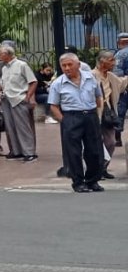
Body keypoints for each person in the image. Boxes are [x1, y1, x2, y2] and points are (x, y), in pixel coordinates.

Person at [49, 53, 104, 193]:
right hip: (71, 116)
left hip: (90, 115)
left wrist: (95, 112)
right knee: (73, 152)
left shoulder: (90, 78)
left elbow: (98, 97)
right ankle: (78, 182)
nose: (67, 68)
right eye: (64, 65)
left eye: (70, 65)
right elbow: (53, 106)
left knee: (95, 150)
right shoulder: (58, 83)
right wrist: (64, 120)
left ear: (78, 65)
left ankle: (92, 180)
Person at [0, 45, 37, 163]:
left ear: (8, 54)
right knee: (10, 127)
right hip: (6, 99)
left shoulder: (21, 65)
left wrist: (28, 96)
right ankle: (16, 151)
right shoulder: (4, 68)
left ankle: (29, 152)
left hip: (19, 98)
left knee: (23, 126)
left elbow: (33, 81)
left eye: (1, 54)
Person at [93, 51, 124, 179]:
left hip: (108, 114)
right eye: (111, 60)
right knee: (96, 143)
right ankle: (96, 170)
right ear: (102, 62)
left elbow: (122, 83)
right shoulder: (91, 76)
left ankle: (103, 168)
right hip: (95, 114)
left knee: (110, 142)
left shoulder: (111, 76)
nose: (114, 63)